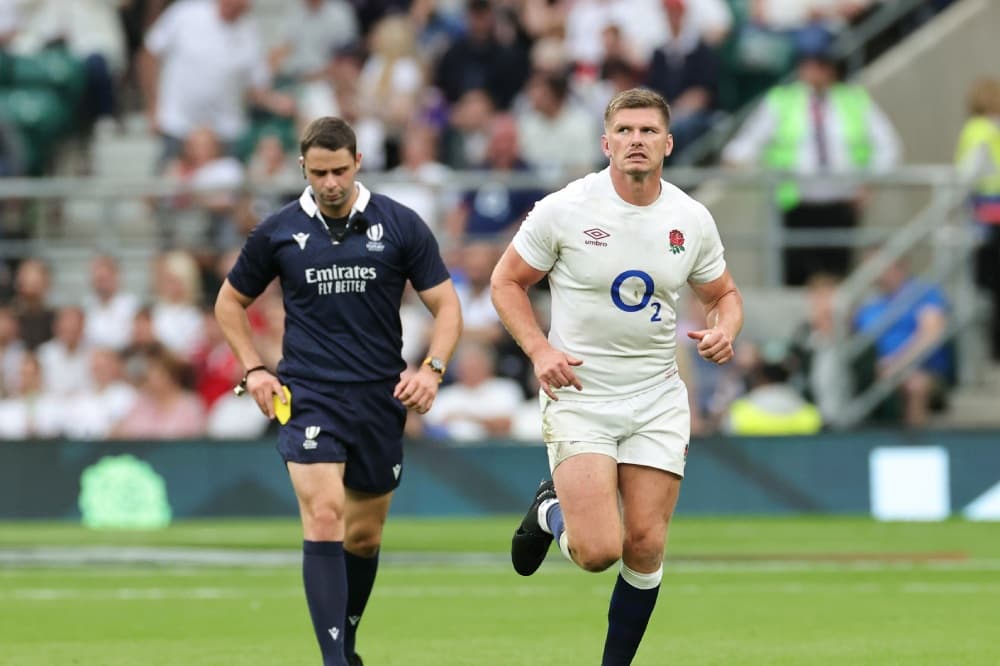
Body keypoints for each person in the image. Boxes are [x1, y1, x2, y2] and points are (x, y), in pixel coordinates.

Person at [490, 87, 743, 665]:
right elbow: (506, 282)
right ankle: (549, 510)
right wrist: (537, 349)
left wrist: (726, 327)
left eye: (648, 131)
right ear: (606, 143)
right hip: (581, 393)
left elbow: (723, 293)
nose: (636, 140)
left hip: (656, 394)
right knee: (598, 550)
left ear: (668, 144)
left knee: (647, 542)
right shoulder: (565, 209)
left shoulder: (690, 218)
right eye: (625, 131)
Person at [214, 116, 462, 666]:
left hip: (379, 397)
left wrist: (432, 369)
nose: (330, 182)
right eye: (319, 172)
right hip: (309, 396)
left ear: (358, 164)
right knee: (325, 514)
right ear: (303, 168)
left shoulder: (400, 224)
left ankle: (345, 647)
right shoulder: (277, 231)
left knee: (365, 538)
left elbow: (446, 306)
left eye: (340, 170)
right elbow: (229, 302)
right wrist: (255, 369)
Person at [721, 26, 901, 286]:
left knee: (838, 281)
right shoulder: (782, 101)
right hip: (797, 205)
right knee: (797, 282)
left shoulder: (854, 100)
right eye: (807, 63)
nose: (812, 70)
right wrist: (736, 163)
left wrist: (869, 182)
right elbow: (744, 146)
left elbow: (889, 145)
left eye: (818, 63)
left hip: (841, 205)